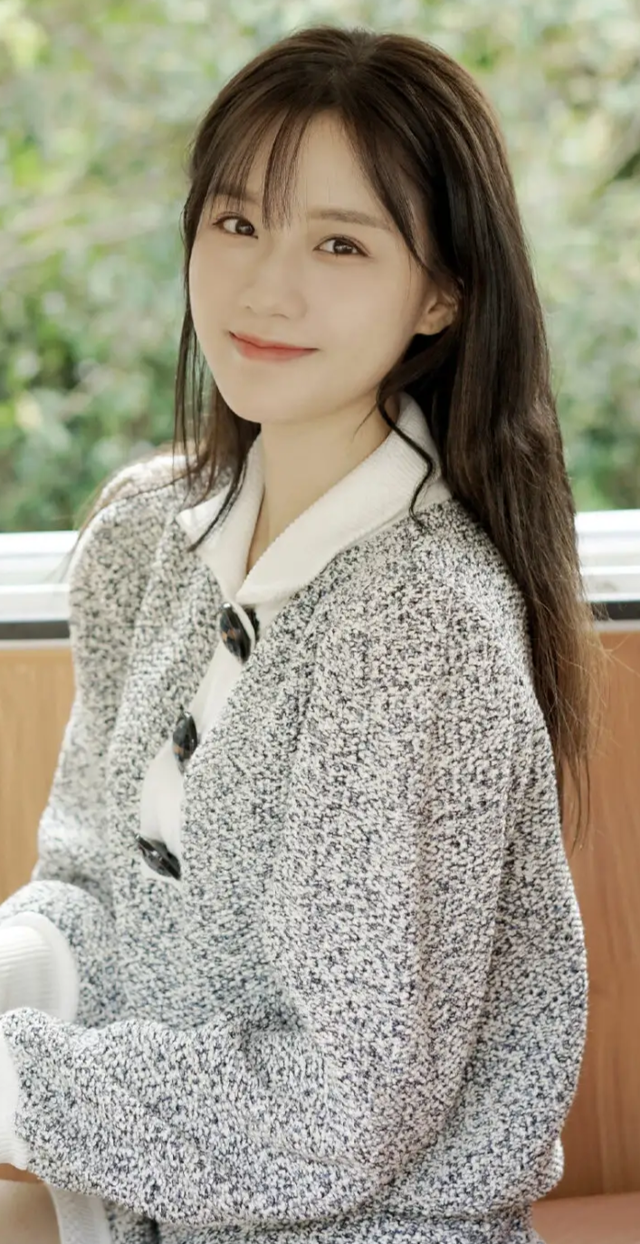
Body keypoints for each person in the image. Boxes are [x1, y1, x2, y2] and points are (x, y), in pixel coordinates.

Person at [0, 21, 609, 1244]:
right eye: (237, 222)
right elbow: (88, 880)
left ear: (442, 293)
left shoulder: (419, 623)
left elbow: (338, 1110)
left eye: (340, 242)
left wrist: (17, 1083)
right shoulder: (140, 536)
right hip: (152, 1196)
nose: (264, 288)